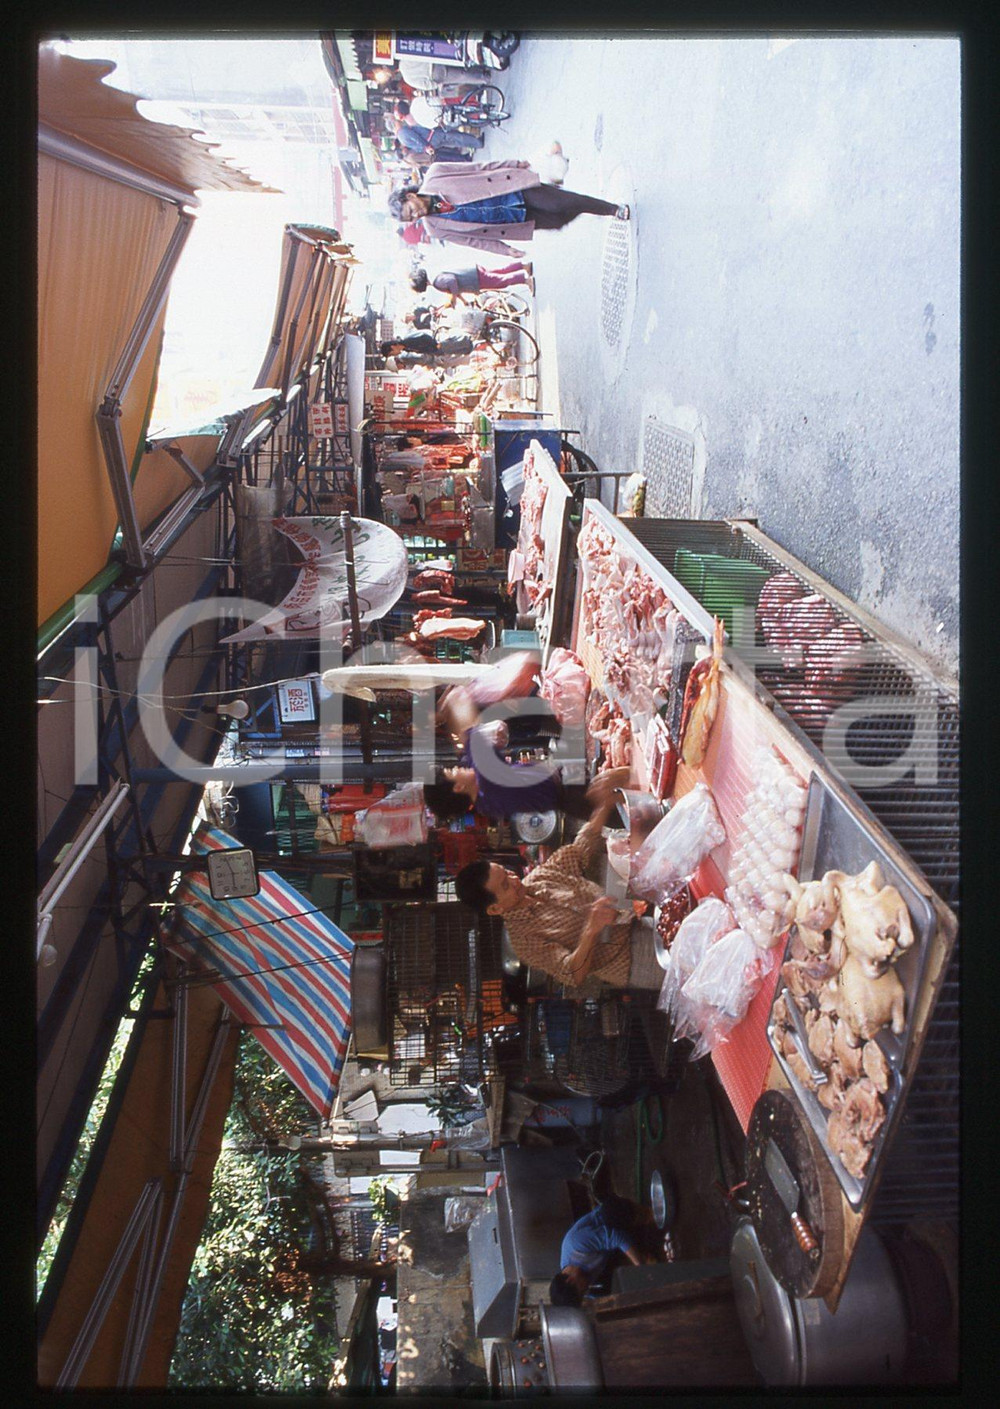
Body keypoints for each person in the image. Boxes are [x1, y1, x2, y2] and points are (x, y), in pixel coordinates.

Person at [454, 779, 663, 993]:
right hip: (632, 960)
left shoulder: (538, 878)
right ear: (495, 908)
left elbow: (580, 850)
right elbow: (573, 974)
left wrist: (604, 805)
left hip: (639, 919)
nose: (515, 880)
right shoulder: (523, 940)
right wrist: (591, 930)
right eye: (506, 886)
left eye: (507, 873)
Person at [387, 159, 630, 258]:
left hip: (511, 189)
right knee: (558, 222)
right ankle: (562, 194)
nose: (416, 216)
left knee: (564, 203)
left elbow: (478, 168)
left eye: (411, 210)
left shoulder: (436, 173)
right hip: (511, 219)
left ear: (411, 195)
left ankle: (611, 209)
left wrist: (514, 163)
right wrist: (506, 251)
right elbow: (474, 241)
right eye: (411, 219)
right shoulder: (435, 229)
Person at [549, 1197, 656, 1307]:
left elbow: (617, 1237)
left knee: (611, 1213)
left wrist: (640, 1266)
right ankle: (646, 1251)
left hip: (614, 1223)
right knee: (604, 1286)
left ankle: (651, 1214)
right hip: (610, 1250)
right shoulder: (579, 1275)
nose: (585, 1290)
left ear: (570, 1281)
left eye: (582, 1292)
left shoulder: (576, 1244)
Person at [410, 261, 534, 306]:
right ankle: (524, 266)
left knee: (501, 281)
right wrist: (463, 301)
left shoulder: (437, 282)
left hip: (474, 280)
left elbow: (452, 281)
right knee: (500, 271)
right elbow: (454, 289)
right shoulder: (435, 274)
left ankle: (526, 280)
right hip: (473, 272)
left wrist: (453, 297)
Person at [393, 98, 484, 156]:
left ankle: (475, 142)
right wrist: (426, 146)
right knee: (455, 136)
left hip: (432, 141)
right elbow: (416, 138)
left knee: (455, 141)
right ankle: (477, 142)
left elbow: (415, 145)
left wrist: (426, 148)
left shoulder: (403, 135)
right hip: (432, 135)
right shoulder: (404, 131)